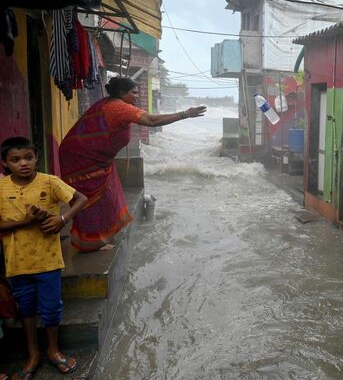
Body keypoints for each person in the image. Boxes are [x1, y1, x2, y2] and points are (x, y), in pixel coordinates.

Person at [59, 77, 207, 252]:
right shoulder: (118, 107)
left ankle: (95, 239)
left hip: (97, 158)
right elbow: (152, 121)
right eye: (133, 93)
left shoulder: (111, 104)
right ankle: (90, 243)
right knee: (96, 200)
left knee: (108, 195)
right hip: (82, 158)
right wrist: (184, 114)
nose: (137, 96)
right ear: (122, 93)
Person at [0, 137, 88, 378]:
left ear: (36, 157)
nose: (24, 164)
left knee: (50, 309)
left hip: (48, 261)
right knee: (26, 310)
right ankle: (33, 354)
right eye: (15, 160)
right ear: (5, 164)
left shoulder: (49, 182)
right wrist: (26, 221)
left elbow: (80, 199)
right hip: (17, 263)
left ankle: (53, 350)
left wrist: (62, 219)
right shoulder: (1, 188)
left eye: (28, 157)